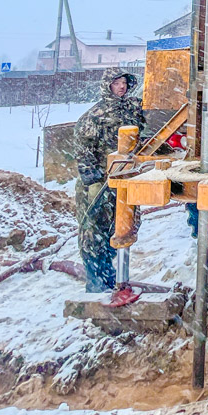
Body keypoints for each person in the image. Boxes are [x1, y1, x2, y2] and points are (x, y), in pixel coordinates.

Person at [74, 67, 146, 292]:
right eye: (116, 83)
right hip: (99, 184)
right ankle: (96, 286)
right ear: (107, 86)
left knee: (122, 228)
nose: (121, 87)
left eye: (124, 82)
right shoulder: (95, 115)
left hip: (122, 181)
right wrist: (92, 179)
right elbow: (82, 147)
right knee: (94, 234)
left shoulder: (133, 109)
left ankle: (113, 280)